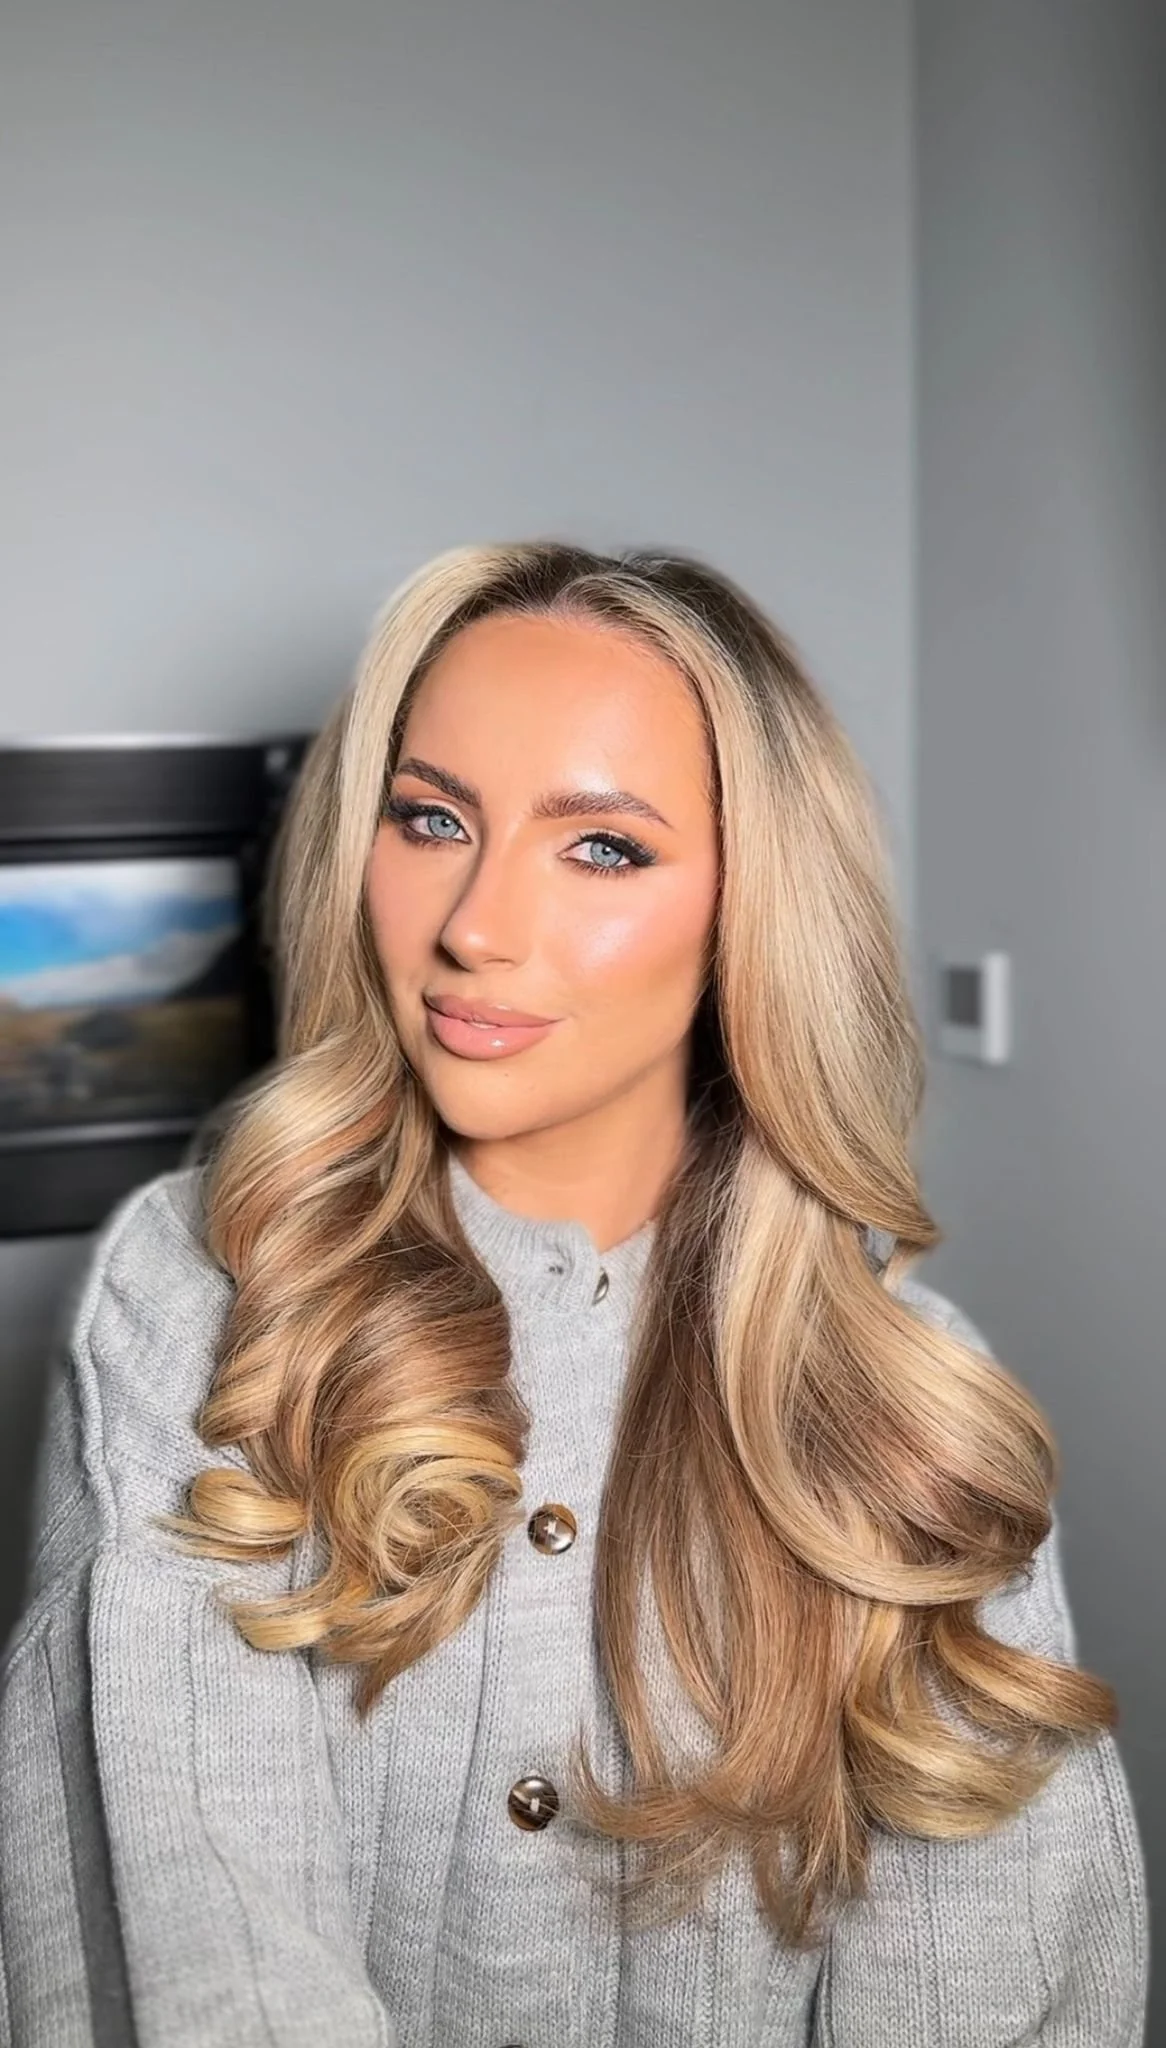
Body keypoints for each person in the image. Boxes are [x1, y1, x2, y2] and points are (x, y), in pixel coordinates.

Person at [0, 540, 1148, 2048]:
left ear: (751, 908)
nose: (473, 923)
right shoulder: (211, 1294)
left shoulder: (904, 1394)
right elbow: (203, 1938)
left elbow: (994, 1978)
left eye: (599, 847)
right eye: (429, 819)